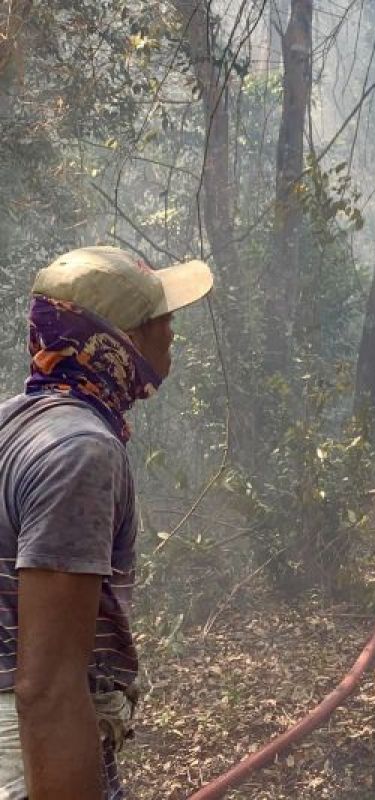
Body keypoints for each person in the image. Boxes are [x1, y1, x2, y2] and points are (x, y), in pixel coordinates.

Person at [0, 246, 213, 799]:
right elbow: (45, 688)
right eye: (158, 318)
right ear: (119, 342)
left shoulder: (14, 420)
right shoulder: (81, 452)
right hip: (30, 756)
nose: (171, 331)